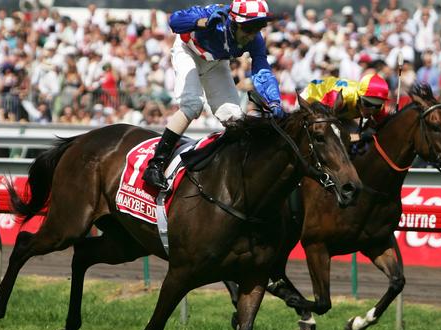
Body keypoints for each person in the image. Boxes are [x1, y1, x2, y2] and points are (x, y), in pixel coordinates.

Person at [142, 0, 284, 190]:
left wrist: (273, 100)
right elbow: (175, 21)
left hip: (216, 62)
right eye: (249, 28)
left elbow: (262, 71)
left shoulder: (256, 39)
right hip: (188, 51)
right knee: (193, 105)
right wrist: (202, 22)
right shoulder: (215, 14)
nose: (252, 35)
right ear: (234, 23)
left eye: (258, 27)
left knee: (235, 118)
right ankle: (155, 165)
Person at [300, 73, 390, 146]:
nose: (371, 110)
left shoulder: (380, 107)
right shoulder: (340, 97)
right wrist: (359, 136)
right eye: (368, 103)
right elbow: (329, 133)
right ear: (358, 97)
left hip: (338, 113)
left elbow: (384, 130)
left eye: (376, 105)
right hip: (312, 98)